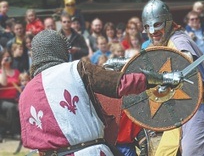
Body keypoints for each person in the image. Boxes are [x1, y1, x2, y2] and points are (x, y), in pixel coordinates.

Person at [19, 29, 185, 155]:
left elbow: (35, 142)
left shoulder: (26, 93)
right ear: (59, 50)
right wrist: (162, 79)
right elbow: (121, 83)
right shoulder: (75, 70)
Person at [141, 0, 204, 156]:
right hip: (183, 107)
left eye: (157, 25)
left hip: (202, 105)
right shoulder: (164, 43)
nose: (152, 31)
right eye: (148, 27)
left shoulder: (178, 40)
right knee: (166, 152)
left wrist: (180, 69)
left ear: (168, 22)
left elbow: (185, 56)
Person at [0, 49, 21, 142]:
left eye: (8, 56)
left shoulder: (16, 71)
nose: (7, 58)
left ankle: (7, 130)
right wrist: (3, 67)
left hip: (15, 98)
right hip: (3, 100)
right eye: (5, 56)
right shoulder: (0, 71)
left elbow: (21, 85)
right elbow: (4, 83)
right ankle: (14, 132)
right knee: (12, 107)